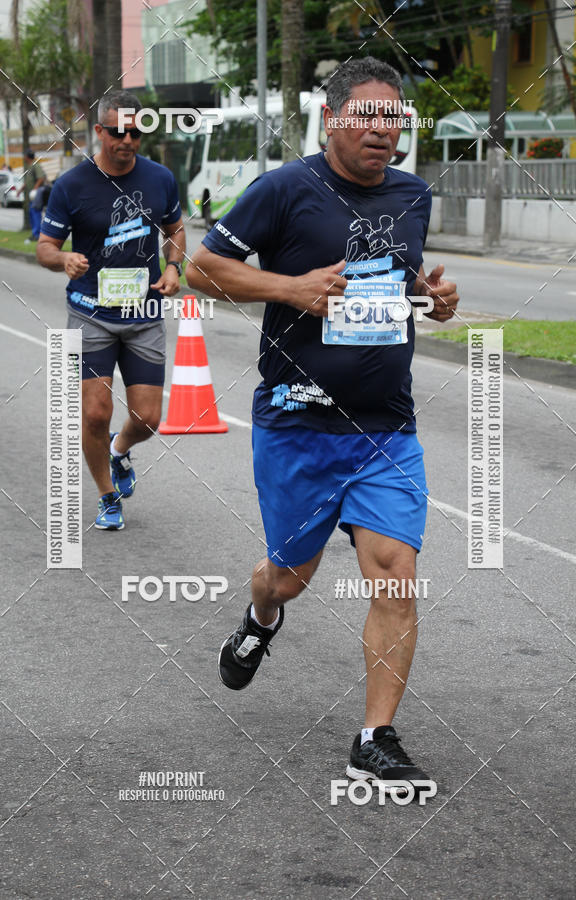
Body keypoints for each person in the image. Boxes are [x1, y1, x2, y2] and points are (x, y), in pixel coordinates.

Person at [188, 58, 459, 792]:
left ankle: (375, 736)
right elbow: (200, 269)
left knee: (396, 573)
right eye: (368, 118)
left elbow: (401, 277)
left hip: (384, 428)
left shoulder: (413, 193)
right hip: (296, 424)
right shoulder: (285, 190)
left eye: (394, 120)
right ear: (334, 118)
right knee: (289, 578)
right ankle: (259, 615)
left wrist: (431, 298)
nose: (383, 132)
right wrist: (291, 287)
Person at [37, 89, 185, 530]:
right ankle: (107, 496)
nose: (128, 141)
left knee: (149, 418)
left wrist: (174, 266)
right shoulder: (71, 185)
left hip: (144, 317)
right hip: (89, 314)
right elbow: (46, 246)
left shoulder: (160, 179)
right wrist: (62, 259)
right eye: (119, 132)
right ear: (99, 131)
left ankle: (120, 451)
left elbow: (175, 230)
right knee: (95, 412)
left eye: (136, 133)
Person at [23, 150, 45, 240]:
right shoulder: (29, 167)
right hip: (30, 197)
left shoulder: (36, 165)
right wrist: (20, 190)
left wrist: (35, 189)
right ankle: (34, 233)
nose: (24, 158)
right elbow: (28, 181)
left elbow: (41, 178)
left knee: (36, 214)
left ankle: (37, 235)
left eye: (25, 156)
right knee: (32, 214)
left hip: (36, 196)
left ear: (28, 157)